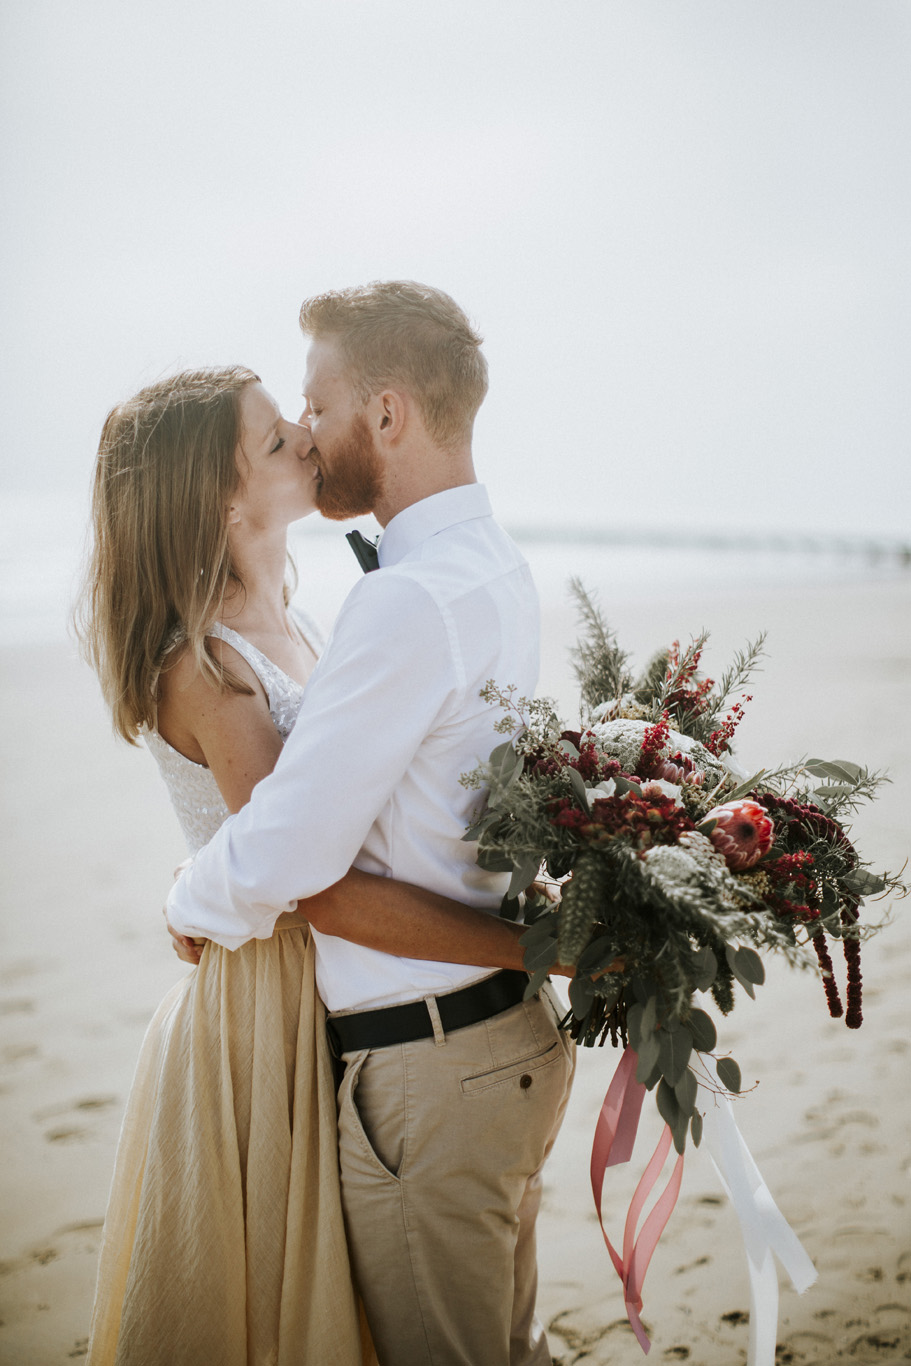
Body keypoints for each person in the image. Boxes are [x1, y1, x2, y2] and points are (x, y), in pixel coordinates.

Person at [78, 364, 537, 1366]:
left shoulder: (304, 620)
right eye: (275, 436)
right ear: (221, 492)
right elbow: (308, 879)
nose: (304, 435)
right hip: (265, 1005)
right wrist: (523, 945)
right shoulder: (205, 668)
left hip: (327, 975)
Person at [166, 282, 576, 1366]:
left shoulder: (403, 599)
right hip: (503, 1042)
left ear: (385, 414)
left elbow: (294, 852)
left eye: (318, 401)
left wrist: (187, 897)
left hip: (430, 1069)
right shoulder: (494, 564)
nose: (304, 430)